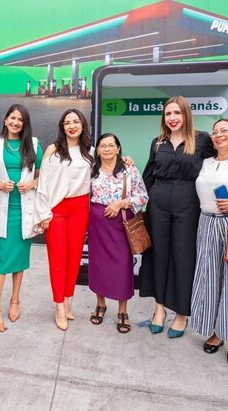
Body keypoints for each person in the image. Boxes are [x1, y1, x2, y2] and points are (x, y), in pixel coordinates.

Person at [140, 95, 215, 338]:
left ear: (186, 114)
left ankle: (181, 313)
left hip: (189, 202)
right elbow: (148, 176)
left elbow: (221, 164)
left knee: (183, 256)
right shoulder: (157, 142)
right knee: (158, 254)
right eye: (168, 113)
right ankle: (159, 308)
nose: (172, 118)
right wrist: (136, 203)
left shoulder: (202, 140)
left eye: (177, 113)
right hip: (158, 202)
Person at [34, 108, 94, 331]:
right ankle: (59, 305)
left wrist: (125, 159)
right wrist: (43, 213)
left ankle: (68, 300)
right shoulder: (54, 150)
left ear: (82, 124)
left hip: (80, 208)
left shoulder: (91, 151)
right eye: (67, 122)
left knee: (74, 258)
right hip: (57, 208)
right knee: (57, 259)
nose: (72, 126)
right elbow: (43, 182)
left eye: (75, 121)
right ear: (62, 127)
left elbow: (107, 170)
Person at [0, 104, 43, 332]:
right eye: (12, 118)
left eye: (20, 119)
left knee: (19, 259)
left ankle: (15, 300)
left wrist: (33, 183)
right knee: (1, 259)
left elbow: (45, 175)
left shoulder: (34, 144)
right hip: (2, 209)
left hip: (24, 210)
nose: (16, 122)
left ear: (24, 123)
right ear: (5, 119)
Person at [190, 118, 228, 366]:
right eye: (215, 131)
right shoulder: (206, 162)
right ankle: (218, 332)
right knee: (210, 280)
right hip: (206, 224)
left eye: (224, 130)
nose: (218, 135)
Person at [88, 133, 148, 333]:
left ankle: (123, 310)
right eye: (102, 145)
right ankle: (100, 304)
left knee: (122, 266)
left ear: (118, 148)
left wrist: (121, 203)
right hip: (97, 225)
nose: (106, 149)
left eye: (111, 145)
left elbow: (143, 196)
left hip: (120, 224)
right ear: (97, 150)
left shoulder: (129, 169)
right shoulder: (91, 170)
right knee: (98, 265)